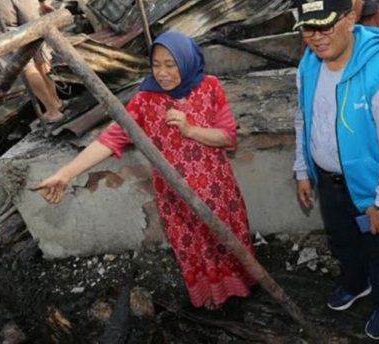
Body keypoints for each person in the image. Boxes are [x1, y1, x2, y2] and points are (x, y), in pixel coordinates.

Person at [36, 31, 257, 309]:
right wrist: (66, 173)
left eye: (170, 64)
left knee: (226, 241)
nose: (162, 73)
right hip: (176, 199)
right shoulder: (145, 101)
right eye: (157, 64)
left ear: (187, 61)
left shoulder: (210, 87)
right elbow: (110, 139)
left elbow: (228, 137)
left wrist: (190, 130)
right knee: (196, 248)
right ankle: (214, 299)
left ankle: (240, 290)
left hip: (217, 189)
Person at [293, 0, 379, 340]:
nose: (315, 37)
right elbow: (303, 117)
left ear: (349, 17)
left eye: (325, 25)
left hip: (374, 189)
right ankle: (356, 283)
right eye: (308, 28)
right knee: (343, 241)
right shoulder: (309, 64)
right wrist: (303, 168)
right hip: (330, 182)